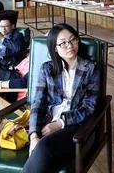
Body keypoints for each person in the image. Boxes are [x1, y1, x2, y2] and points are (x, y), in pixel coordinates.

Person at [23, 24, 99, 173]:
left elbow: (89, 106)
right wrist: (33, 136)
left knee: (44, 147)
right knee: (46, 160)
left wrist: (60, 123)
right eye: (63, 43)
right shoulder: (47, 69)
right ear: (55, 48)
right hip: (47, 122)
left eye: (73, 40)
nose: (69, 45)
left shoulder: (90, 68)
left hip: (75, 127)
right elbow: (38, 103)